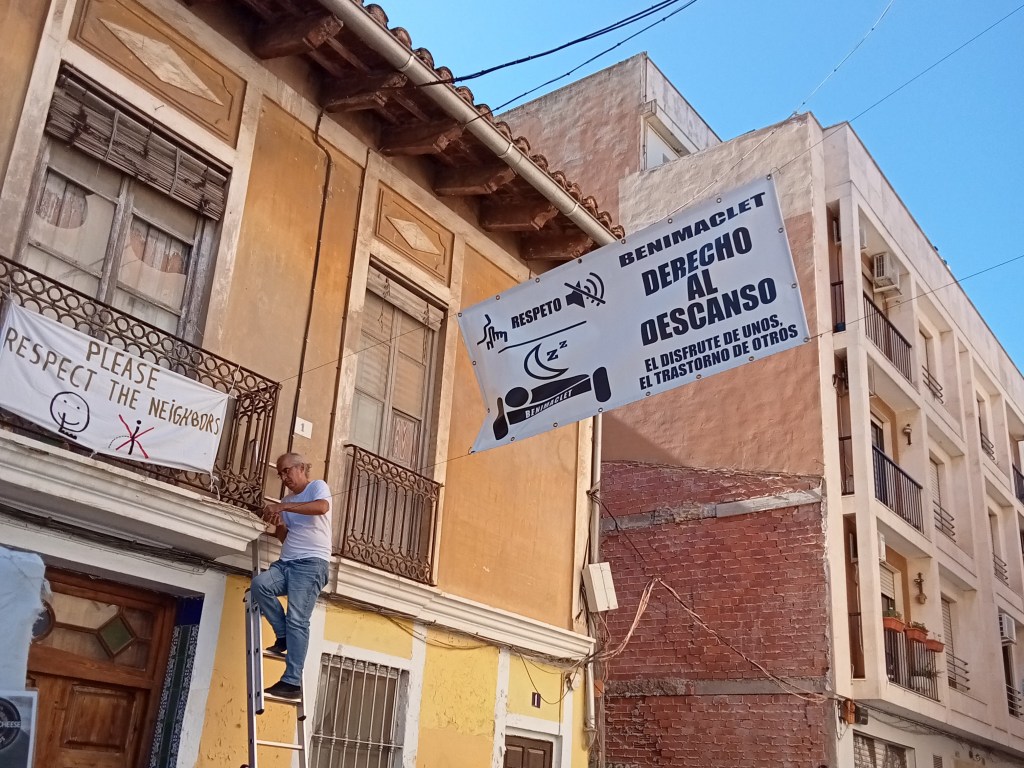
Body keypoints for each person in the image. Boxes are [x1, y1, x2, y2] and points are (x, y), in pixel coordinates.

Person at [251, 452, 332, 700]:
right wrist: (280, 522)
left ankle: (292, 681)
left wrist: (283, 506)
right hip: (286, 563)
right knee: (259, 585)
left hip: (310, 564)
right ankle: (283, 635)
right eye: (280, 473)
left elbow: (322, 507)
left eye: (286, 471)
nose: (284, 477)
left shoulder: (317, 487)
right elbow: (283, 537)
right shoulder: (286, 501)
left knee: (298, 618)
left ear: (300, 468)